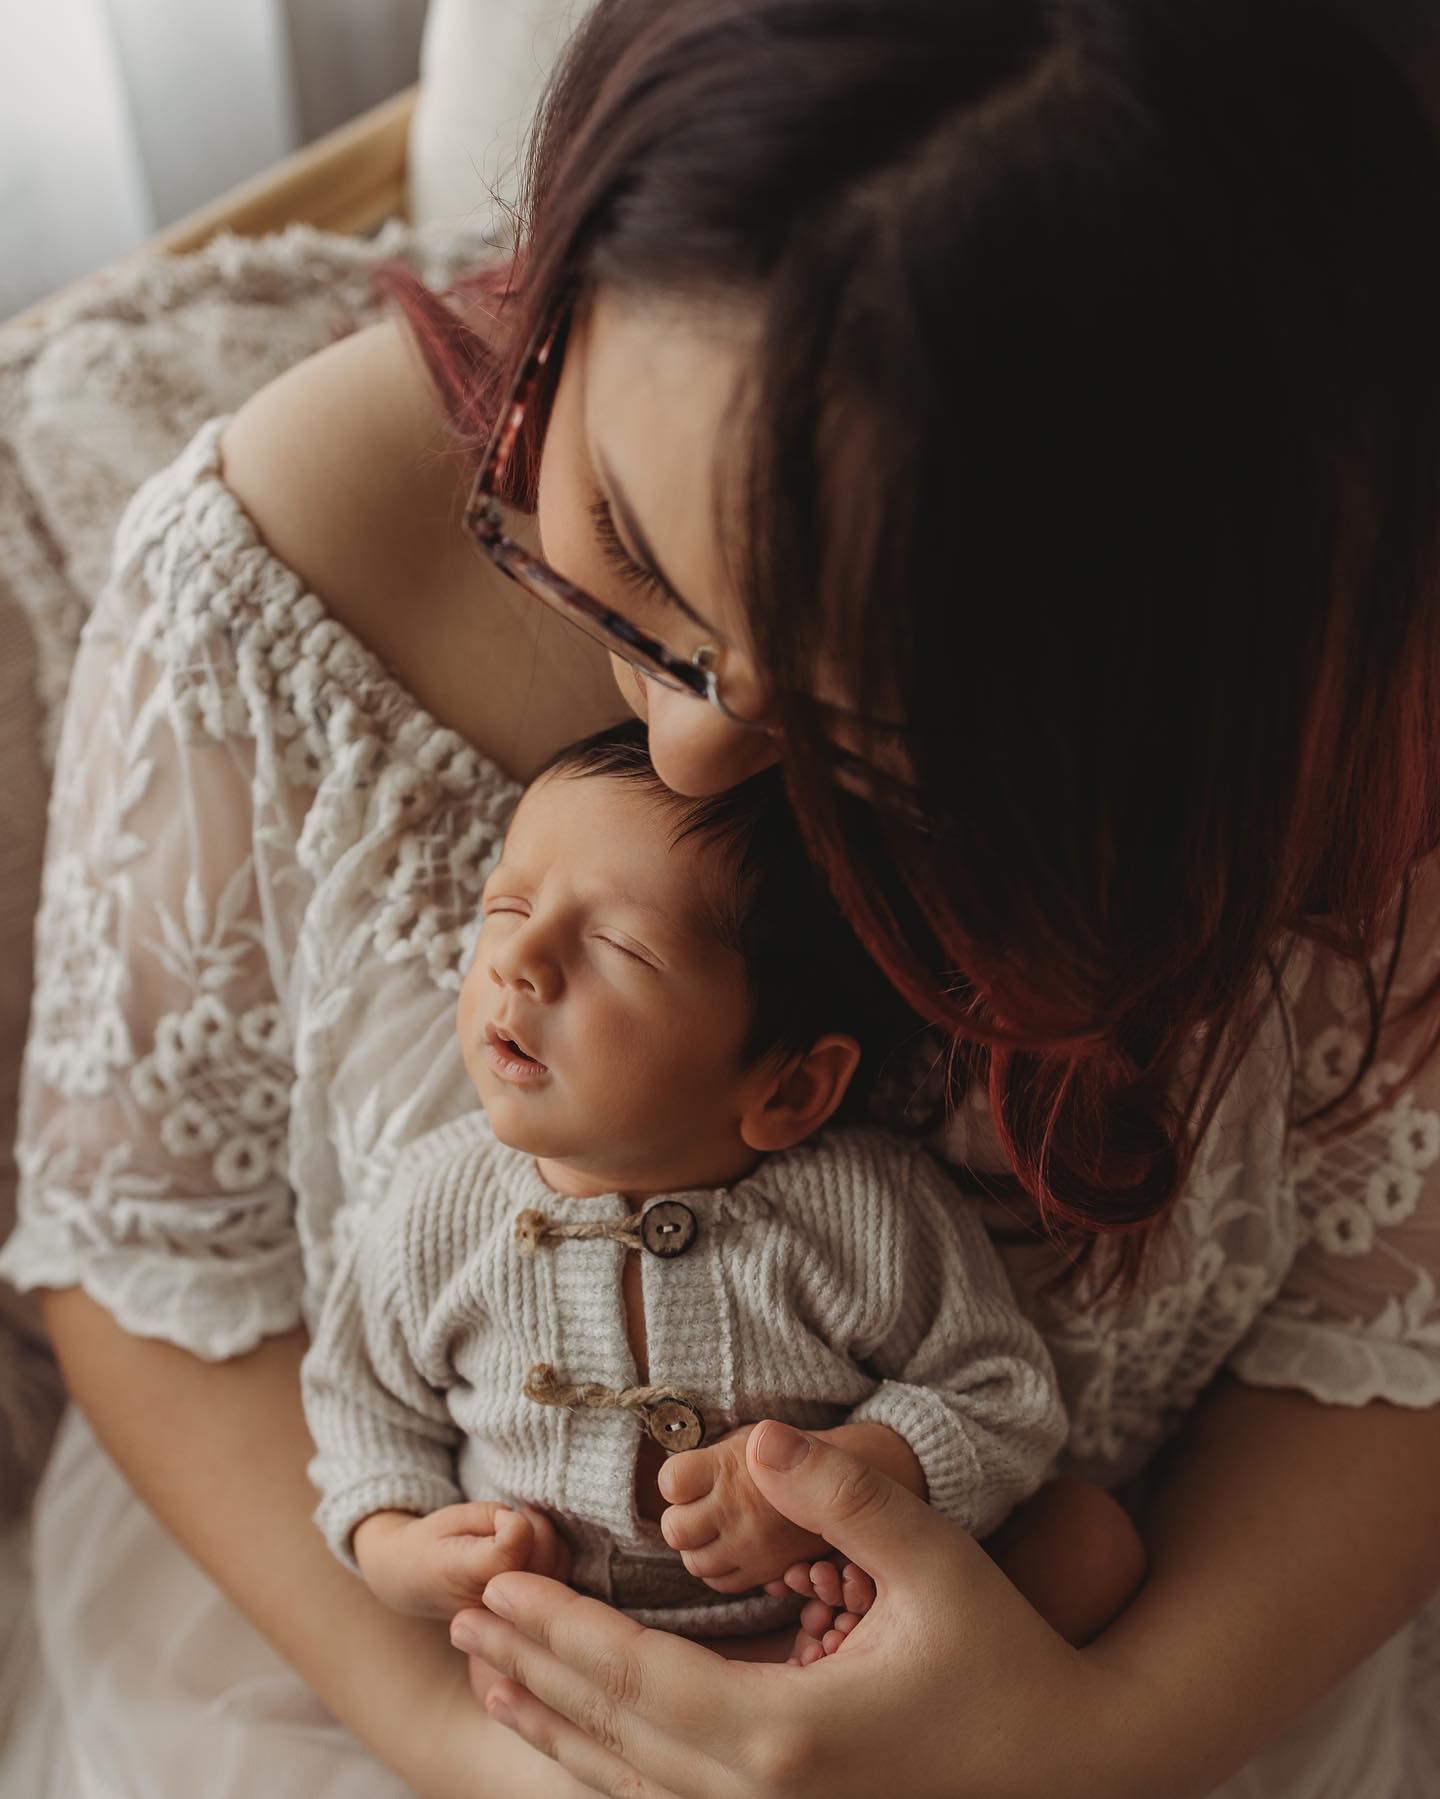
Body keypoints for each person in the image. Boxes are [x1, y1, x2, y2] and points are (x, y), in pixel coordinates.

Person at [4, 0, 1439, 1794]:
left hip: (1174, 1658)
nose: (683, 751)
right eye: (625, 542)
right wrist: (459, 1730)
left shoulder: (1333, 687)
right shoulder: (280, 574)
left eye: (878, 728)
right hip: (378, 1681)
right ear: (579, 244)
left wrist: (1092, 1736)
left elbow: (1391, 1324)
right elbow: (153, 1261)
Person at [300, 722, 1140, 1659]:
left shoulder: (860, 1209)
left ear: (786, 1087)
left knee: (1086, 1540)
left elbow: (1002, 1397)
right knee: (502, 1661)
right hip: (575, 1647)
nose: (520, 958)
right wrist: (405, 1552)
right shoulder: (437, 1209)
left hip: (837, 1620)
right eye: (507, 904)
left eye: (618, 943)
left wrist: (848, 1477)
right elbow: (365, 1416)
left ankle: (846, 1698)